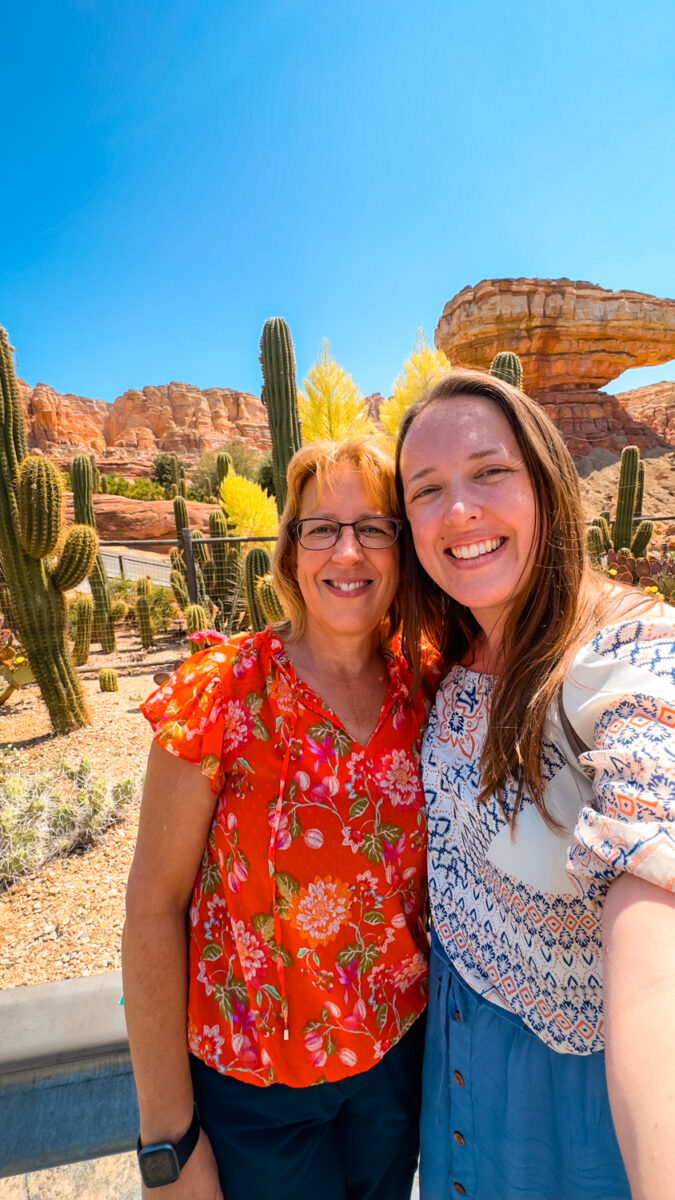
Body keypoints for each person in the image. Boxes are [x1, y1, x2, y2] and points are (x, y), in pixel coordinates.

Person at [122, 436, 433, 1200]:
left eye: (374, 527)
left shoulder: (425, 687)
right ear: (291, 554)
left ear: (401, 550)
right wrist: (167, 1144)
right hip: (254, 1092)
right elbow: (152, 910)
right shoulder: (222, 693)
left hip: (396, 1067)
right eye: (320, 527)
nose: (347, 550)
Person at [395, 369, 675, 1200]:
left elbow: (653, 935)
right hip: (450, 1062)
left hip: (569, 1111)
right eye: (426, 490)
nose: (458, 512)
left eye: (489, 472)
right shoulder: (451, 658)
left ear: (547, 484)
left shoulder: (631, 659)